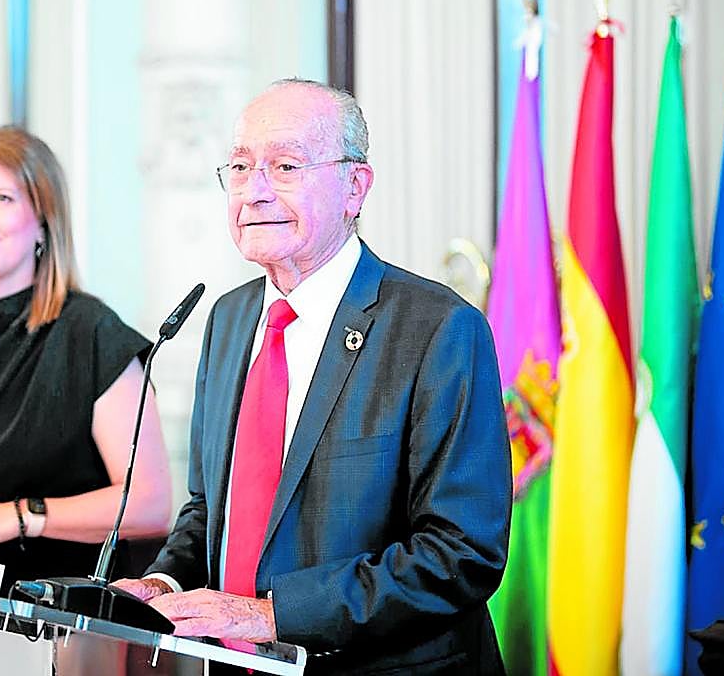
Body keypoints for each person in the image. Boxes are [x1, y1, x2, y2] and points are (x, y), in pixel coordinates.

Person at [116, 80, 512, 674]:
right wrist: (167, 582)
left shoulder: (439, 329)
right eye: (241, 168)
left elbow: (460, 552)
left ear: (355, 187)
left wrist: (272, 615)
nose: (254, 192)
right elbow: (210, 507)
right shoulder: (228, 317)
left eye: (285, 166)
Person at [0, 126, 173, 596]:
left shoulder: (90, 334)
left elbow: (150, 505)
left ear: (43, 220)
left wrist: (16, 518)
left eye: (2, 199)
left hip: (63, 625)